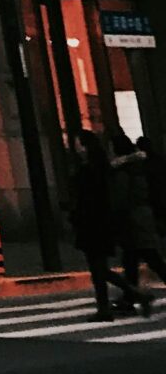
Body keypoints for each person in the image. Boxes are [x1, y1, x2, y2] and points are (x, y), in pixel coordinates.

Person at [110, 132, 166, 313]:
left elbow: (120, 199)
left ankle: (129, 298)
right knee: (138, 259)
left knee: (146, 258)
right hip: (142, 217)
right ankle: (129, 297)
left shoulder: (125, 170)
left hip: (133, 220)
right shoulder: (138, 166)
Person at [68, 130, 119, 317]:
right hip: (98, 222)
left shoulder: (89, 169)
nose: (75, 146)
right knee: (99, 268)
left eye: (77, 142)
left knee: (98, 268)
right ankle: (112, 303)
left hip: (93, 223)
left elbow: (88, 198)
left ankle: (107, 307)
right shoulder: (98, 167)